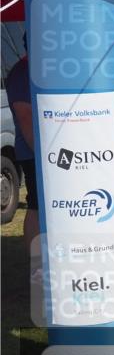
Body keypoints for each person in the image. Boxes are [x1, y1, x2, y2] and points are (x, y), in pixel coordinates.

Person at [6, 50, 39, 251]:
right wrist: (44, 157)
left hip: (51, 153)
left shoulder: (41, 68)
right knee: (36, 204)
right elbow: (25, 117)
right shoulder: (23, 72)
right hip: (34, 153)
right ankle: (38, 263)